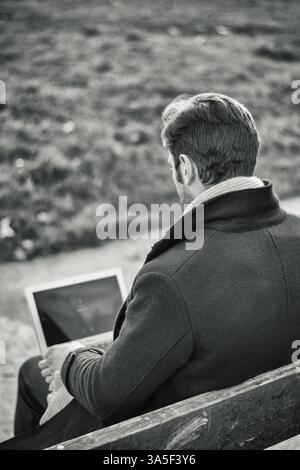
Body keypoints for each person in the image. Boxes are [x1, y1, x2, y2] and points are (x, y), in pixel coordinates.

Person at [2, 93, 300, 450]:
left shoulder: (172, 276)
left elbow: (107, 394)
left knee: (33, 373)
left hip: (173, 442)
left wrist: (70, 357)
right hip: (262, 427)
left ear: (185, 168)